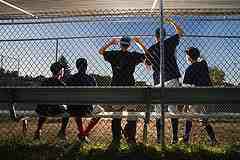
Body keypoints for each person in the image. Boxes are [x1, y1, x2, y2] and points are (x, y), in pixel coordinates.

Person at [99, 36, 150, 150]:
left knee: (116, 115)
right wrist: (140, 42)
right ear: (129, 45)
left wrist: (111, 42)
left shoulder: (114, 54)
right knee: (131, 114)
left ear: (120, 44)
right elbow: (147, 54)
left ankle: (116, 138)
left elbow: (101, 51)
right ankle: (131, 138)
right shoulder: (133, 56)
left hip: (116, 88)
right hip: (130, 89)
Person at [147, 18, 184, 144]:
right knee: (173, 109)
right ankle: (174, 138)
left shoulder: (152, 48)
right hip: (172, 77)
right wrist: (173, 22)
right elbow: (180, 32)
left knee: (158, 110)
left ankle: (159, 138)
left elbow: (147, 66)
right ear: (164, 35)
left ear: (155, 37)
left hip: (158, 80)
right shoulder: (169, 42)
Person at [183, 47, 217, 145]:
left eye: (187, 55)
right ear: (197, 56)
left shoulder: (188, 70)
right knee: (204, 120)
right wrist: (197, 55)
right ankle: (213, 139)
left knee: (189, 117)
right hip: (208, 97)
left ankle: (186, 139)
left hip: (196, 98)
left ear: (189, 57)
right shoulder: (204, 64)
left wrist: (186, 105)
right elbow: (202, 58)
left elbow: (187, 91)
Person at [64, 58, 103, 143]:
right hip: (86, 109)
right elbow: (95, 95)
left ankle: (82, 133)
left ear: (77, 66)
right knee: (101, 110)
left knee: (76, 107)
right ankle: (84, 133)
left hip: (72, 109)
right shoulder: (90, 78)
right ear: (86, 67)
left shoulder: (71, 78)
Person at [34, 62, 69, 140]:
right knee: (67, 112)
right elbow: (66, 100)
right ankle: (62, 132)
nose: (63, 72)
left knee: (44, 105)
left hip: (42, 110)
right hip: (55, 110)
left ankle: (38, 130)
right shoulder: (62, 85)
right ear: (60, 72)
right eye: (62, 70)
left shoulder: (44, 82)